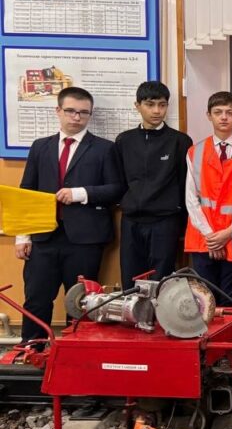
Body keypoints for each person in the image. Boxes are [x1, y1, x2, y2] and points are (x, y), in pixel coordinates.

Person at [15, 87, 123, 345]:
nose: (77, 117)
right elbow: (26, 192)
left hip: (85, 239)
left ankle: (74, 353)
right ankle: (32, 351)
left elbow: (117, 189)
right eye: (71, 111)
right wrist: (22, 236)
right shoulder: (40, 147)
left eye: (84, 113)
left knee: (80, 302)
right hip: (43, 237)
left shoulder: (104, 148)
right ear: (58, 111)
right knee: (36, 298)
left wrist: (80, 193)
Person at [113, 80, 192, 285]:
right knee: (130, 278)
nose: (157, 111)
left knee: (162, 280)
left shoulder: (180, 141)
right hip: (131, 220)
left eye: (162, 105)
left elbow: (185, 184)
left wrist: (182, 223)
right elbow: (120, 180)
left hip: (165, 221)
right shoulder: (124, 140)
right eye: (150, 104)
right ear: (137, 106)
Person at [184, 91, 232, 304]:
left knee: (230, 301)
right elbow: (191, 199)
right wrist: (212, 237)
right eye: (218, 112)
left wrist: (229, 233)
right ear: (208, 115)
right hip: (203, 239)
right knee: (205, 301)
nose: (223, 117)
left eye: (229, 112)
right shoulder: (194, 152)